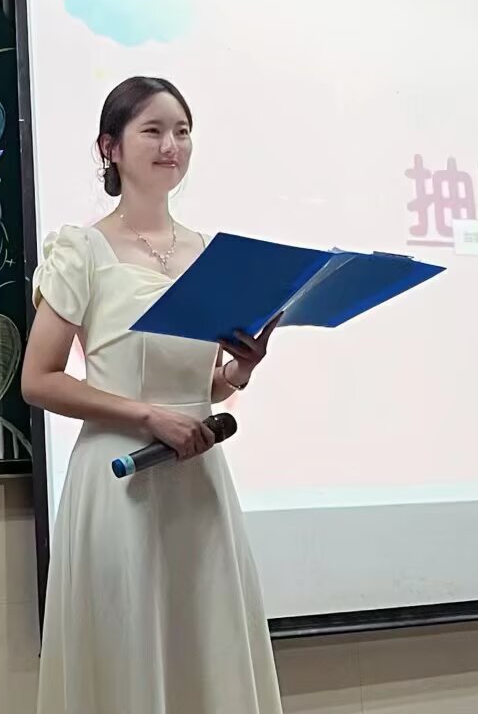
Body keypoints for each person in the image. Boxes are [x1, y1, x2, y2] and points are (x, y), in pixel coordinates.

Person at [21, 75, 284, 714]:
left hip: (199, 476)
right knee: (128, 656)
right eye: (154, 131)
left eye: (182, 131)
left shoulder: (208, 252)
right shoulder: (80, 249)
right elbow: (39, 379)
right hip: (122, 478)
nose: (172, 146)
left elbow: (204, 380)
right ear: (109, 147)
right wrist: (146, 416)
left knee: (205, 651)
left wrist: (239, 372)